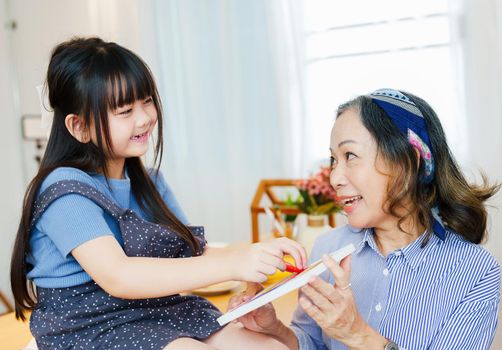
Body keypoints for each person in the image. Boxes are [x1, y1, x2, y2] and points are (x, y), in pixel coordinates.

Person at [9, 37, 306, 350]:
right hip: (88, 325)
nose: (145, 118)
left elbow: (192, 255)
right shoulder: (64, 191)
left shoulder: (150, 181)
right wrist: (234, 264)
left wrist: (258, 255)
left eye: (147, 101)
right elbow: (119, 276)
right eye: (125, 110)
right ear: (80, 127)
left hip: (160, 309)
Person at [230, 89, 501, 349]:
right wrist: (274, 329)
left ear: (410, 162)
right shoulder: (328, 249)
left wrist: (358, 334)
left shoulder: (475, 271)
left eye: (350, 156)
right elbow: (312, 342)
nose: (334, 178)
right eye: (333, 160)